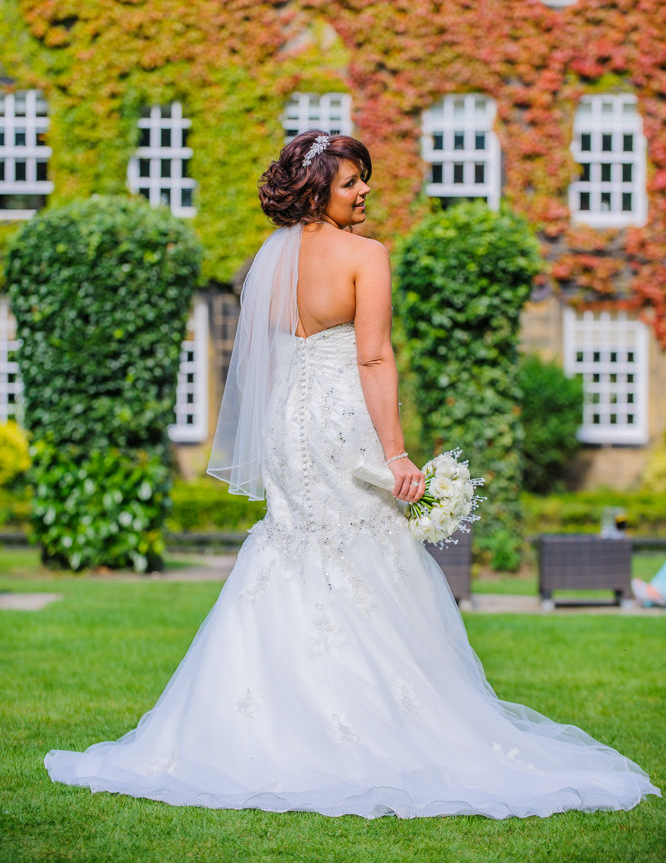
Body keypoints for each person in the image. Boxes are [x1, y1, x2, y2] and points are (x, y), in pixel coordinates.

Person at [45, 131, 660, 818]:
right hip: (343, 421)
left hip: (287, 424)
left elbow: (267, 353)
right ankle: (378, 720)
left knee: (293, 544)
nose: (365, 190)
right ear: (317, 193)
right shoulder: (367, 256)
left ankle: (270, 721)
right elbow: (373, 358)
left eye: (364, 178)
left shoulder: (269, 261)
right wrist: (396, 454)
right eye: (351, 183)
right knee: (367, 550)